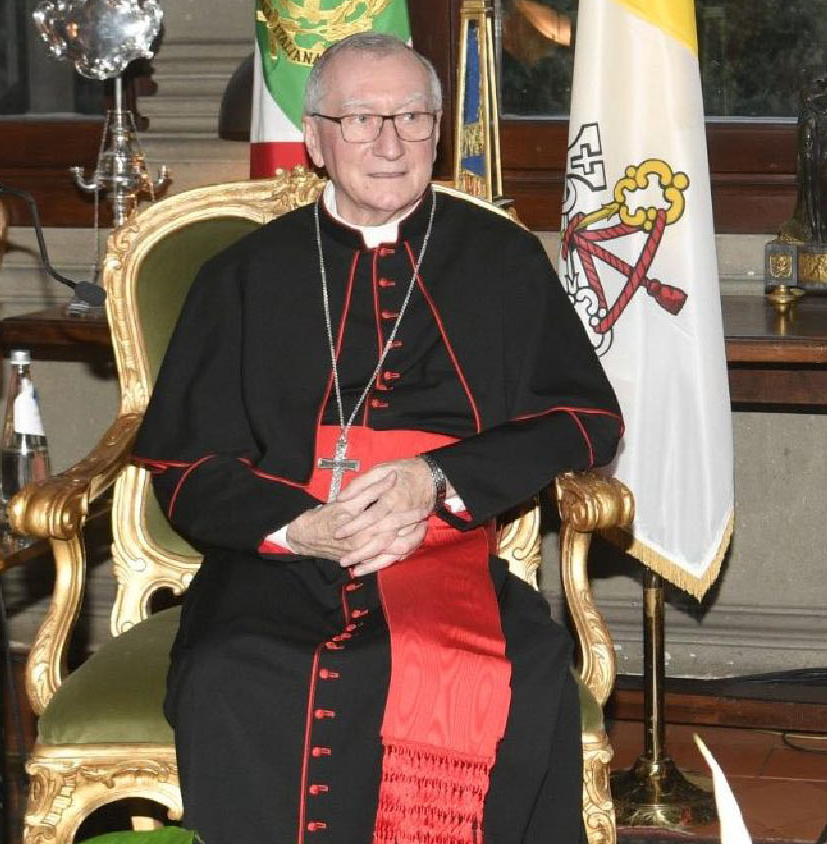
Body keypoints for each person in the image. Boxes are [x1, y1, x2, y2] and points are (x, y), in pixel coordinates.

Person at [131, 32, 620, 844]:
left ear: (438, 130)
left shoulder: (499, 258)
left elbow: (584, 418)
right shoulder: (244, 275)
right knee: (233, 672)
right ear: (317, 139)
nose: (389, 143)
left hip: (444, 539)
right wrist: (303, 526)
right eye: (360, 119)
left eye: (412, 117)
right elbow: (184, 467)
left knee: (524, 675)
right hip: (278, 551)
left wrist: (436, 479)